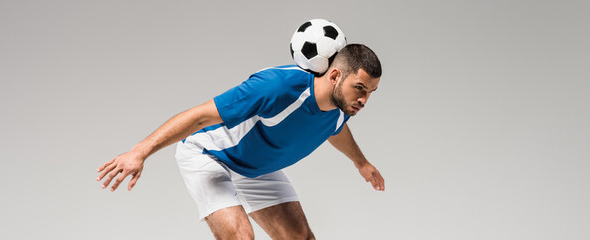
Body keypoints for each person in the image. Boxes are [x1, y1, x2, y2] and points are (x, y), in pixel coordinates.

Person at [96, 43, 385, 239]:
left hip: (258, 167)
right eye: (359, 88)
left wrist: (361, 162)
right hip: (209, 155)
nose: (364, 100)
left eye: (371, 92)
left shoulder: (343, 107)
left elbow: (334, 128)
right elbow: (199, 116)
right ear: (334, 75)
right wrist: (139, 151)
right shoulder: (276, 87)